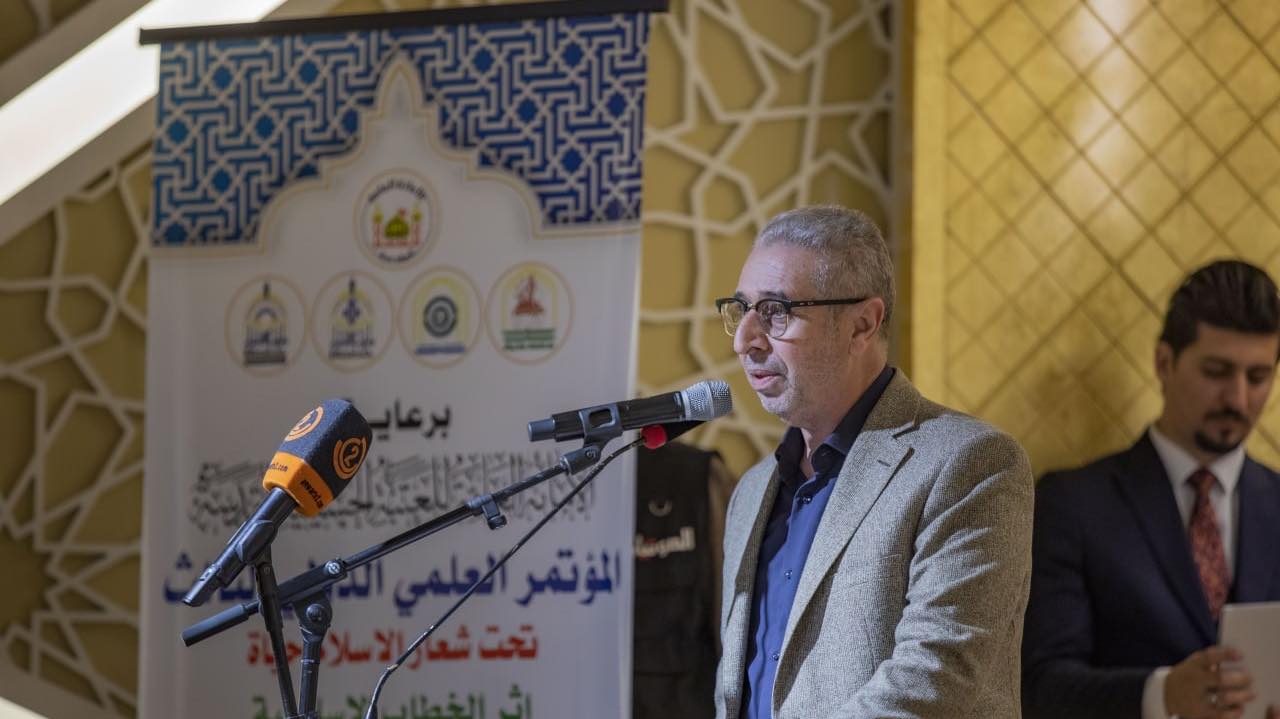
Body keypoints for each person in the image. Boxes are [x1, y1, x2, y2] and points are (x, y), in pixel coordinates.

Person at [714, 205, 1034, 719]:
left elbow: (935, 679)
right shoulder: (751, 492)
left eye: (775, 311)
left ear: (862, 324)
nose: (744, 340)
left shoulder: (969, 464)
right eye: (740, 309)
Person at [1023, 260, 1280, 719]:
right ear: (1164, 363)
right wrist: (1162, 694)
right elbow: (1041, 686)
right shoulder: (1073, 505)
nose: (1238, 399)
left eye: (1258, 378)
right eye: (1217, 371)